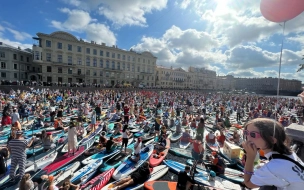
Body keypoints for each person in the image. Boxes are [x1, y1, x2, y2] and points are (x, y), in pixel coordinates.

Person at [242, 118, 304, 190]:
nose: (248, 138)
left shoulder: (271, 168)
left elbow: (248, 183)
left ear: (272, 140)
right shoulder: (289, 152)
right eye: (246, 132)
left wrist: (250, 157)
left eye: (253, 134)